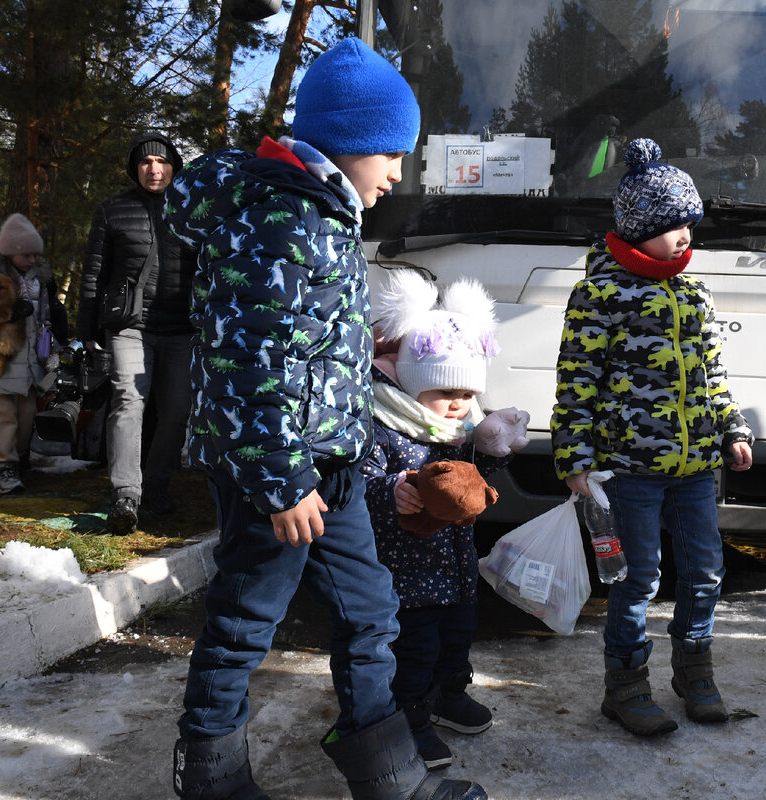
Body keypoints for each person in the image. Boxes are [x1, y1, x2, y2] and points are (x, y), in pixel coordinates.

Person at [163, 36, 486, 800]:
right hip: (276, 474)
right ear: (350, 143)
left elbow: (305, 348)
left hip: (329, 467)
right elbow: (252, 365)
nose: (398, 173)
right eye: (392, 155)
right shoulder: (282, 218)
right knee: (246, 617)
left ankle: (388, 774)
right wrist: (280, 482)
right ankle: (208, 773)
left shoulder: (322, 212)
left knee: (373, 610)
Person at [551, 138, 755, 737]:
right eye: (671, 225)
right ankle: (626, 684)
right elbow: (576, 383)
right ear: (638, 229)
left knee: (704, 571)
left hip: (695, 469)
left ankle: (696, 674)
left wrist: (733, 428)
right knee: (637, 577)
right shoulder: (600, 295)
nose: (685, 236)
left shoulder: (695, 294)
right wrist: (575, 458)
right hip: (627, 471)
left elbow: (714, 376)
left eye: (689, 223)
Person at [362, 269, 526, 770]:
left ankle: (449, 693)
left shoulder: (459, 431)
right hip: (406, 574)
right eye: (444, 390)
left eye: (466, 392)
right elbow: (362, 480)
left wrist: (492, 453)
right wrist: (392, 490)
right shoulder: (385, 425)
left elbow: (474, 483)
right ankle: (410, 715)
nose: (457, 402)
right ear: (413, 383)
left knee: (457, 637)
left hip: (455, 568)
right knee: (415, 649)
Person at [78, 132, 197, 535]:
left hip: (182, 330)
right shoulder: (112, 209)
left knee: (178, 410)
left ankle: (158, 486)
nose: (154, 168)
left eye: (161, 161)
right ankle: (126, 495)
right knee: (129, 402)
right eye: (145, 161)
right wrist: (86, 329)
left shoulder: (191, 210)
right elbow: (93, 271)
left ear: (173, 166)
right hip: (129, 327)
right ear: (135, 167)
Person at [0, 214, 68, 494]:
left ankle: (17, 463)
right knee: (1, 419)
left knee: (26, 420)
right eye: (26, 254)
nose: (32, 259)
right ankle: (4, 472)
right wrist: (5, 315)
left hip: (30, 362)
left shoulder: (42, 281)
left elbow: (45, 320)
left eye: (35, 254)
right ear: (12, 251)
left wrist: (54, 348)